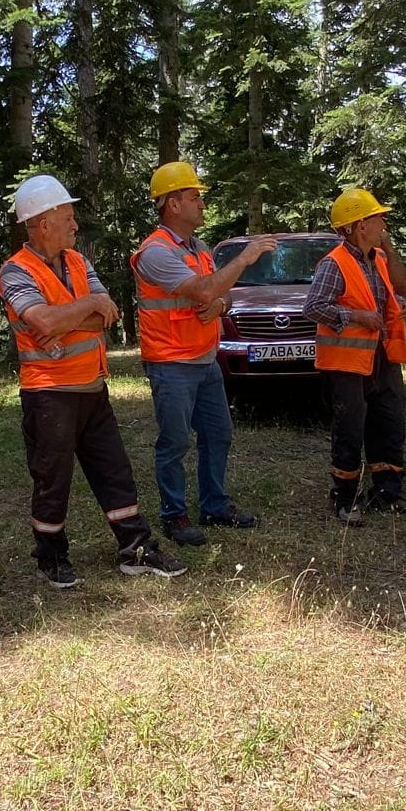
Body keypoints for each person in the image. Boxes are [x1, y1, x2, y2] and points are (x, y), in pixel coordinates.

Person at [0, 176, 187, 587]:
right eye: (67, 217)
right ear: (43, 222)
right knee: (52, 481)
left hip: (92, 389)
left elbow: (108, 315)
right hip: (49, 395)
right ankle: (50, 556)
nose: (75, 225)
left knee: (115, 472)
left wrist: (71, 318)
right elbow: (43, 321)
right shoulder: (14, 271)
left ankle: (136, 548)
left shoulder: (78, 262)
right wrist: (84, 310)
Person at [129, 161, 275, 547]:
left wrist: (223, 305)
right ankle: (174, 516)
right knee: (175, 442)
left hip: (205, 360)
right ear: (172, 204)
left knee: (218, 434)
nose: (202, 203)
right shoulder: (155, 252)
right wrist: (242, 259)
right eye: (195, 197)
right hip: (171, 365)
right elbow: (203, 290)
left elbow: (217, 294)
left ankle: (214, 505)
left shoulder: (200, 249)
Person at [305, 188, 406, 524]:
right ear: (358, 226)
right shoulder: (334, 263)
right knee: (350, 429)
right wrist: (355, 318)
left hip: (382, 356)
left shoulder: (380, 258)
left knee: (389, 423)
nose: (383, 222)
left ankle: (387, 494)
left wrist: (401, 307)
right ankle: (344, 499)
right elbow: (313, 307)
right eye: (376, 218)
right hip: (346, 364)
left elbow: (398, 289)